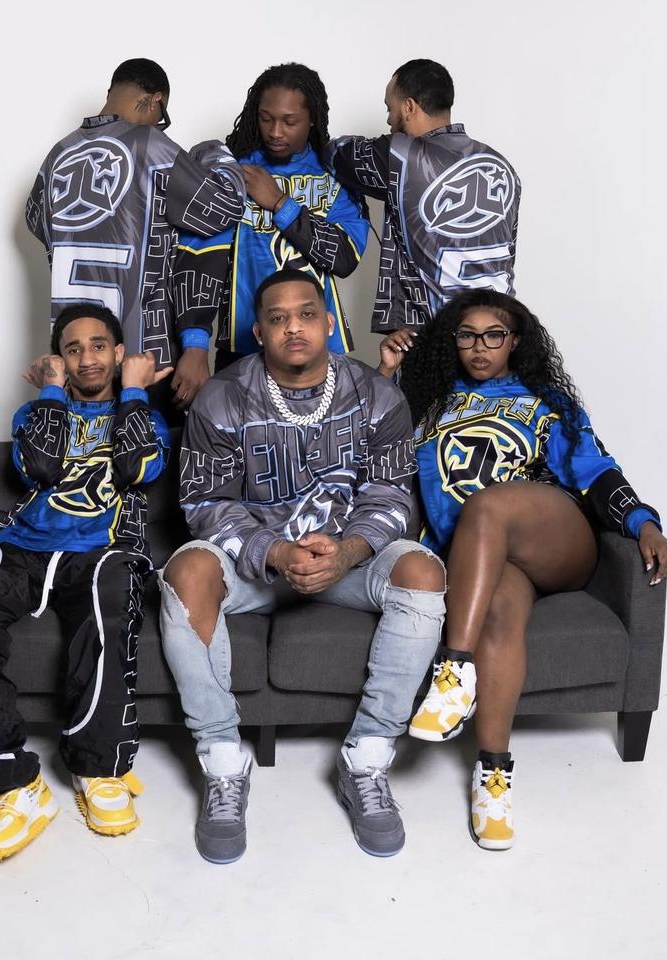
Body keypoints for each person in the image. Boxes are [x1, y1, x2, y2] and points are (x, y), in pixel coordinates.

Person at [158, 268, 445, 864]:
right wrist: (274, 551)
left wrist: (348, 551)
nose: (294, 328)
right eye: (278, 318)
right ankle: (222, 764)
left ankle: (366, 759)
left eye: (307, 314)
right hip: (256, 566)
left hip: (347, 561)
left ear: (329, 322)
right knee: (186, 573)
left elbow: (392, 495)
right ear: (259, 331)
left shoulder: (377, 394)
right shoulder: (221, 397)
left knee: (422, 572)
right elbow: (205, 503)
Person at [379, 290, 667, 850]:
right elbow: (369, 452)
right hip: (480, 562)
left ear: (515, 341)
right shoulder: (427, 405)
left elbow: (596, 471)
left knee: (488, 504)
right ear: (452, 342)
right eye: (467, 335)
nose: (480, 347)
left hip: (556, 541)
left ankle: (454, 671)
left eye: (494, 335)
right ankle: (493, 774)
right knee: (498, 615)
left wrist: (644, 524)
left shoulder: (545, 401)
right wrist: (388, 374)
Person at [0, 303, 172, 866]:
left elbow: (137, 469)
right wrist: (51, 392)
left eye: (99, 346)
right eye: (72, 349)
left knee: (111, 603)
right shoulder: (36, 410)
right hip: (24, 547)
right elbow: (38, 467)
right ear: (57, 360)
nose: (88, 358)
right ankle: (15, 787)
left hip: (103, 549)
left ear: (119, 352)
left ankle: (97, 768)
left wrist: (135, 391)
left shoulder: (144, 414)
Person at [26, 58, 246, 418]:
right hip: (142, 359)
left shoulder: (58, 154)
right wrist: (214, 153)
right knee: (149, 451)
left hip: (74, 360)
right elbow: (224, 207)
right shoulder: (150, 145)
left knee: (87, 450)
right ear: (155, 99)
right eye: (162, 116)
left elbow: (34, 219)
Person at [173, 63, 369, 371]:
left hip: (320, 347)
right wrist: (195, 343)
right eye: (266, 119)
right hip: (242, 347)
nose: (275, 132)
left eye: (290, 121)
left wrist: (280, 203)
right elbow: (200, 255)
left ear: (312, 119)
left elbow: (344, 258)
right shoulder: (233, 172)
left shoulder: (335, 174)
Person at [325, 58, 520, 336]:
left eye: (390, 108)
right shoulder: (502, 166)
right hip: (497, 336)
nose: (388, 120)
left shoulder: (399, 155)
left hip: (430, 339)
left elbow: (335, 154)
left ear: (408, 107)